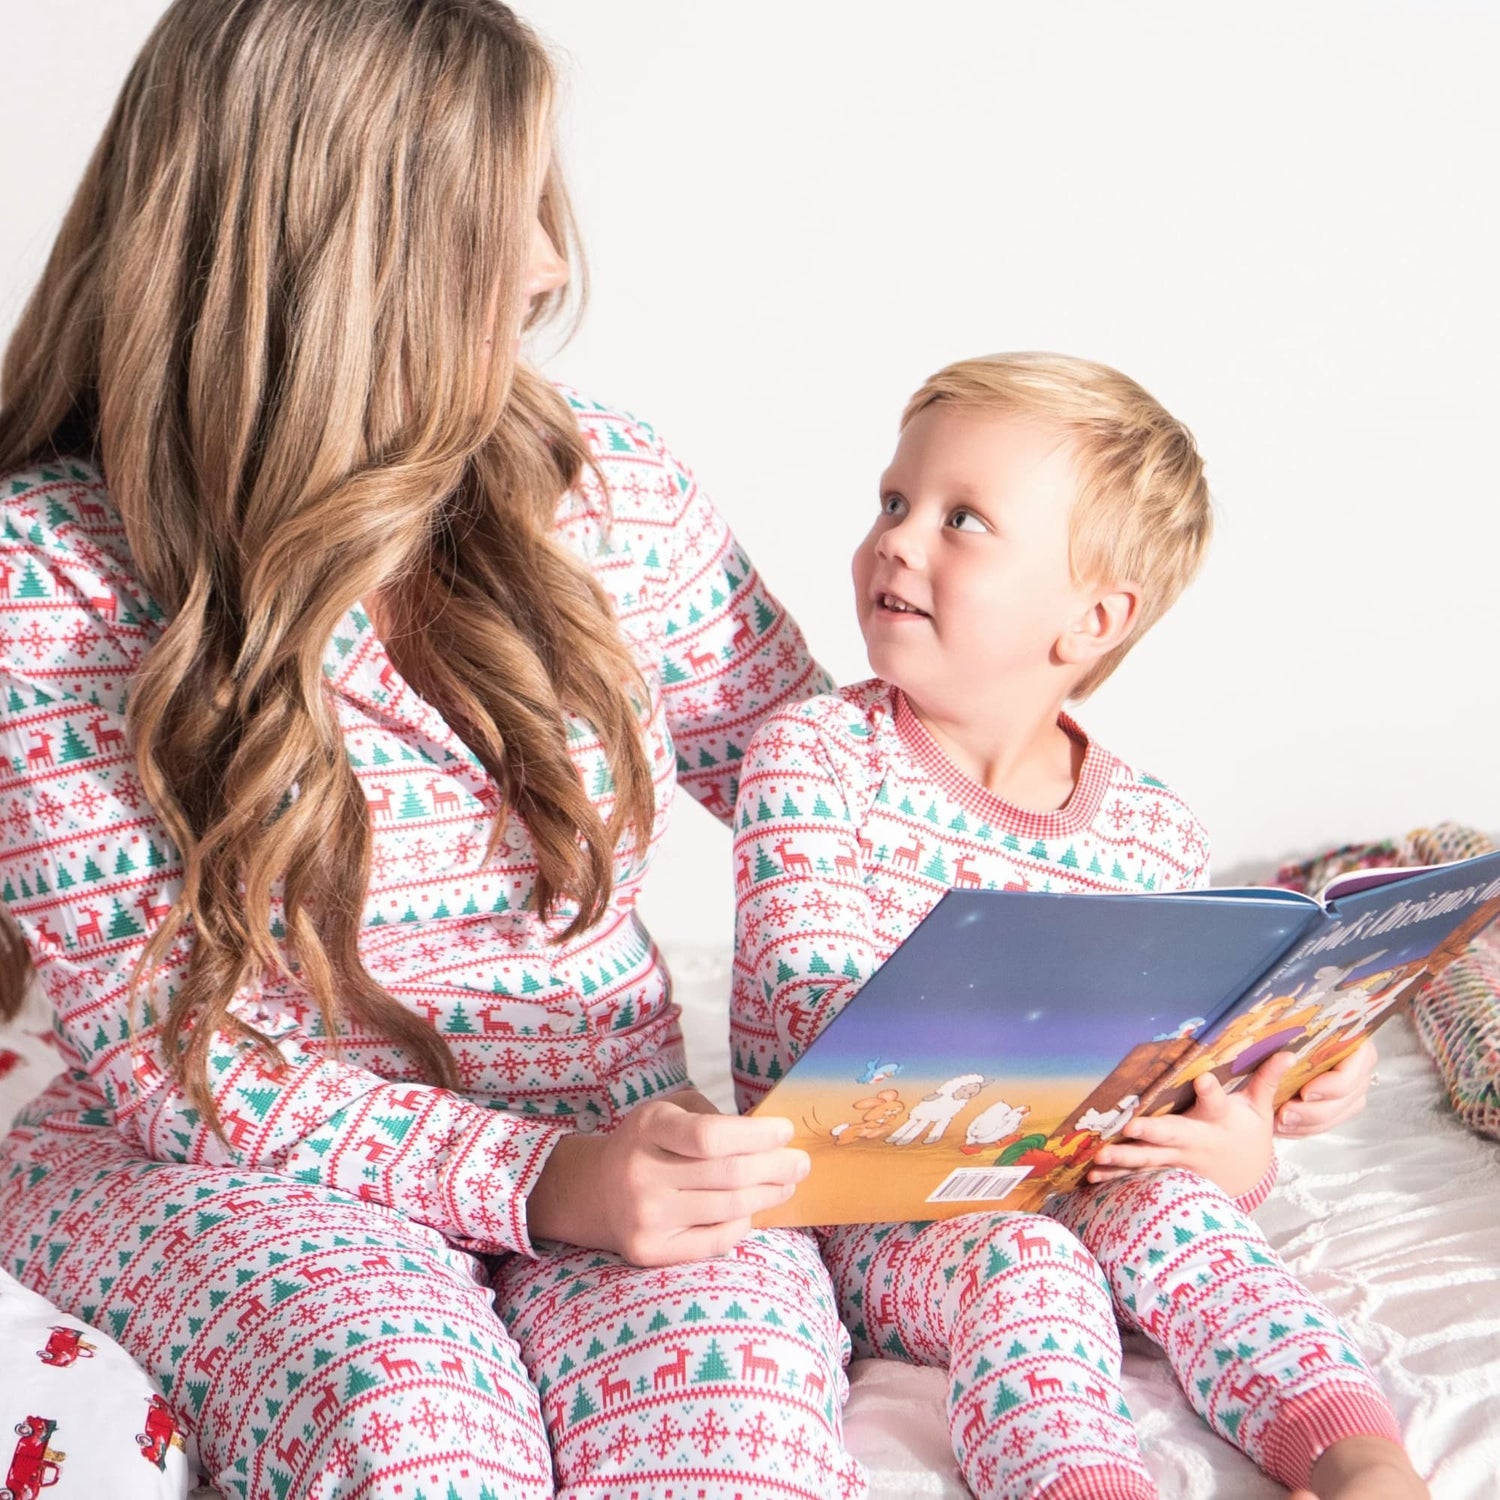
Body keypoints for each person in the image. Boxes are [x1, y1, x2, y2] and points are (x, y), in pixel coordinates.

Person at [0, 3, 868, 1498]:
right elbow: (181, 1067)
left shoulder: (604, 487)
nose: (548, 264)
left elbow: (837, 787)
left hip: (609, 1130)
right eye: (499, 216)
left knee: (731, 1437)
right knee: (407, 1421)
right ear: (343, 254)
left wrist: (1144, 1040)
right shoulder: (45, 573)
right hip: (220, 1166)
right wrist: (539, 1184)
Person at [729, 354, 1422, 1500]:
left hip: (1071, 1175)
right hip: (862, 1209)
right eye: (894, 503)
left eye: (963, 521)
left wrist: (1241, 1131)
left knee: (1190, 1219)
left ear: (1092, 619)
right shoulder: (812, 758)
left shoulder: (1151, 830)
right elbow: (828, 1035)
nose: (898, 540)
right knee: (1028, 1260)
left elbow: (1166, 1092)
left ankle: (1360, 1462)